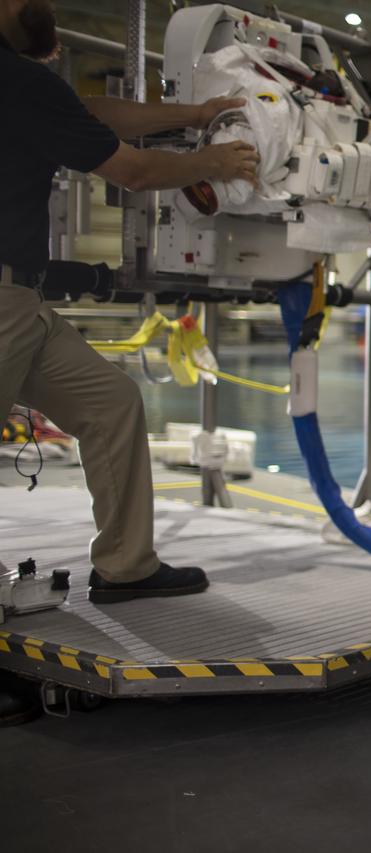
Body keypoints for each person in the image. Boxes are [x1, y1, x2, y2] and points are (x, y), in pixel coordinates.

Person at [0, 0, 259, 726]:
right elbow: (137, 171)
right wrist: (214, 160)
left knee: (111, 402)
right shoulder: (17, 80)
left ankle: (126, 567)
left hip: (20, 300)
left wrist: (200, 111)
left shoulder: (22, 82)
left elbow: (92, 111)